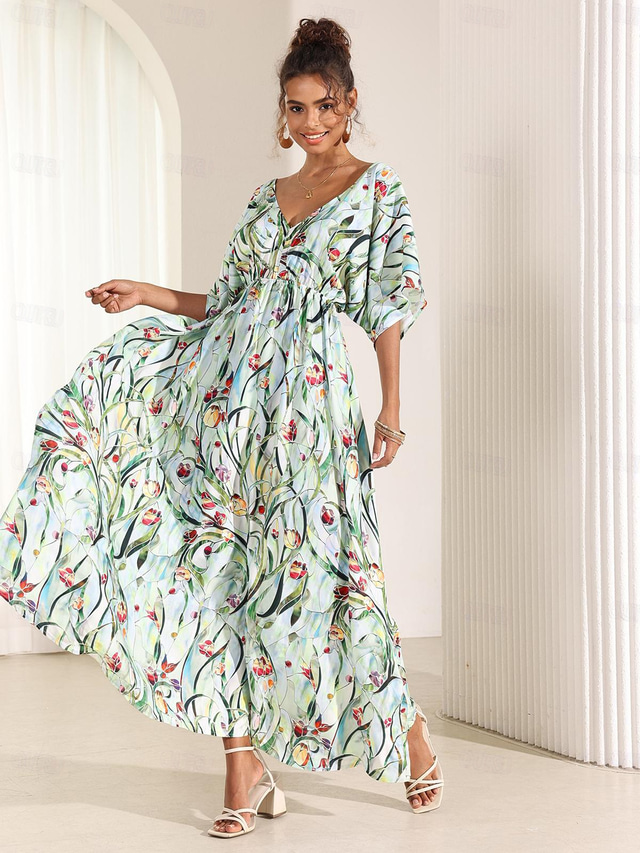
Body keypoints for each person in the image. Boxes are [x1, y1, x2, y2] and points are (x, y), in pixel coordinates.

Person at [0, 15, 442, 839]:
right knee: (227, 574)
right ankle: (243, 766)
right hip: (230, 406)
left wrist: (392, 407)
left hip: (312, 411)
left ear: (350, 103)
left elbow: (389, 306)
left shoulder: (378, 192)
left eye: (323, 106)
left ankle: (406, 727)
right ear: (283, 112)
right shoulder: (265, 200)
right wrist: (148, 293)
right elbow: (230, 304)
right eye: (295, 108)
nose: (309, 123)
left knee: (334, 578)